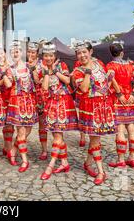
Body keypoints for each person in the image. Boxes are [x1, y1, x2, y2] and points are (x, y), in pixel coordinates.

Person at [72, 41, 116, 185]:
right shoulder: (78, 71)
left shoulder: (100, 63)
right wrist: (88, 72)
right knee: (95, 139)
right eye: (79, 53)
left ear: (90, 52)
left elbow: (105, 82)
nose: (82, 55)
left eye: (84, 52)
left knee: (95, 139)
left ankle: (87, 163)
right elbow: (84, 89)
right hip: (89, 107)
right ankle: (101, 171)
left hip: (103, 104)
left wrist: (110, 79)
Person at [37, 42, 79, 181]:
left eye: (50, 56)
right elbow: (44, 87)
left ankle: (51, 165)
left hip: (63, 102)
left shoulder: (62, 65)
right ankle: (65, 163)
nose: (48, 58)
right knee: (57, 134)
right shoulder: (43, 69)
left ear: (54, 56)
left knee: (57, 136)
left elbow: (67, 80)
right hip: (51, 103)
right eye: (46, 56)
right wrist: (48, 72)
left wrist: (55, 71)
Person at [106, 42, 134, 169]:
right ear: (122, 52)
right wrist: (133, 92)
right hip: (130, 98)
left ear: (111, 53)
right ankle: (132, 158)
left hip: (118, 99)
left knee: (120, 129)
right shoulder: (130, 65)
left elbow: (111, 79)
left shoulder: (110, 65)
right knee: (131, 128)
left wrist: (119, 93)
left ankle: (121, 160)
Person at [3, 41, 38, 173]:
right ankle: (24, 160)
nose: (15, 54)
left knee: (27, 131)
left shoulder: (29, 67)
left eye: (17, 52)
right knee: (21, 132)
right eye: (12, 53)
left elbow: (37, 81)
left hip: (29, 101)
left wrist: (35, 70)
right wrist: (3, 73)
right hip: (17, 102)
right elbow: (7, 84)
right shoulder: (10, 69)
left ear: (22, 53)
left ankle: (12, 151)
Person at [27, 41, 49, 160]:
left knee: (42, 125)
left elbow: (38, 80)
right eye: (29, 52)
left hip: (40, 97)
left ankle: (44, 150)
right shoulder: (23, 65)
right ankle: (16, 147)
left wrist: (33, 68)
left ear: (37, 53)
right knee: (26, 125)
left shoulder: (42, 64)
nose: (31, 54)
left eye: (33, 52)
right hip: (27, 98)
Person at [0, 46, 14, 158]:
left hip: (12, 96)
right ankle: (8, 148)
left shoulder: (12, 66)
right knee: (5, 124)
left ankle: (8, 147)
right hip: (1, 97)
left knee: (11, 125)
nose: (0, 56)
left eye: (2, 53)